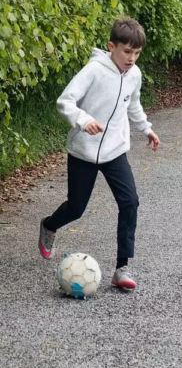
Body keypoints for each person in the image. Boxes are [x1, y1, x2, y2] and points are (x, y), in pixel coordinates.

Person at [38, 17, 161, 291]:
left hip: (115, 151)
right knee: (76, 208)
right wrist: (83, 120)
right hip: (84, 150)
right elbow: (64, 101)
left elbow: (134, 106)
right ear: (111, 46)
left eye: (137, 53)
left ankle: (122, 268)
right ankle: (48, 226)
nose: (131, 58)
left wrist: (146, 129)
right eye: (127, 51)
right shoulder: (93, 70)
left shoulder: (135, 75)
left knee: (130, 202)